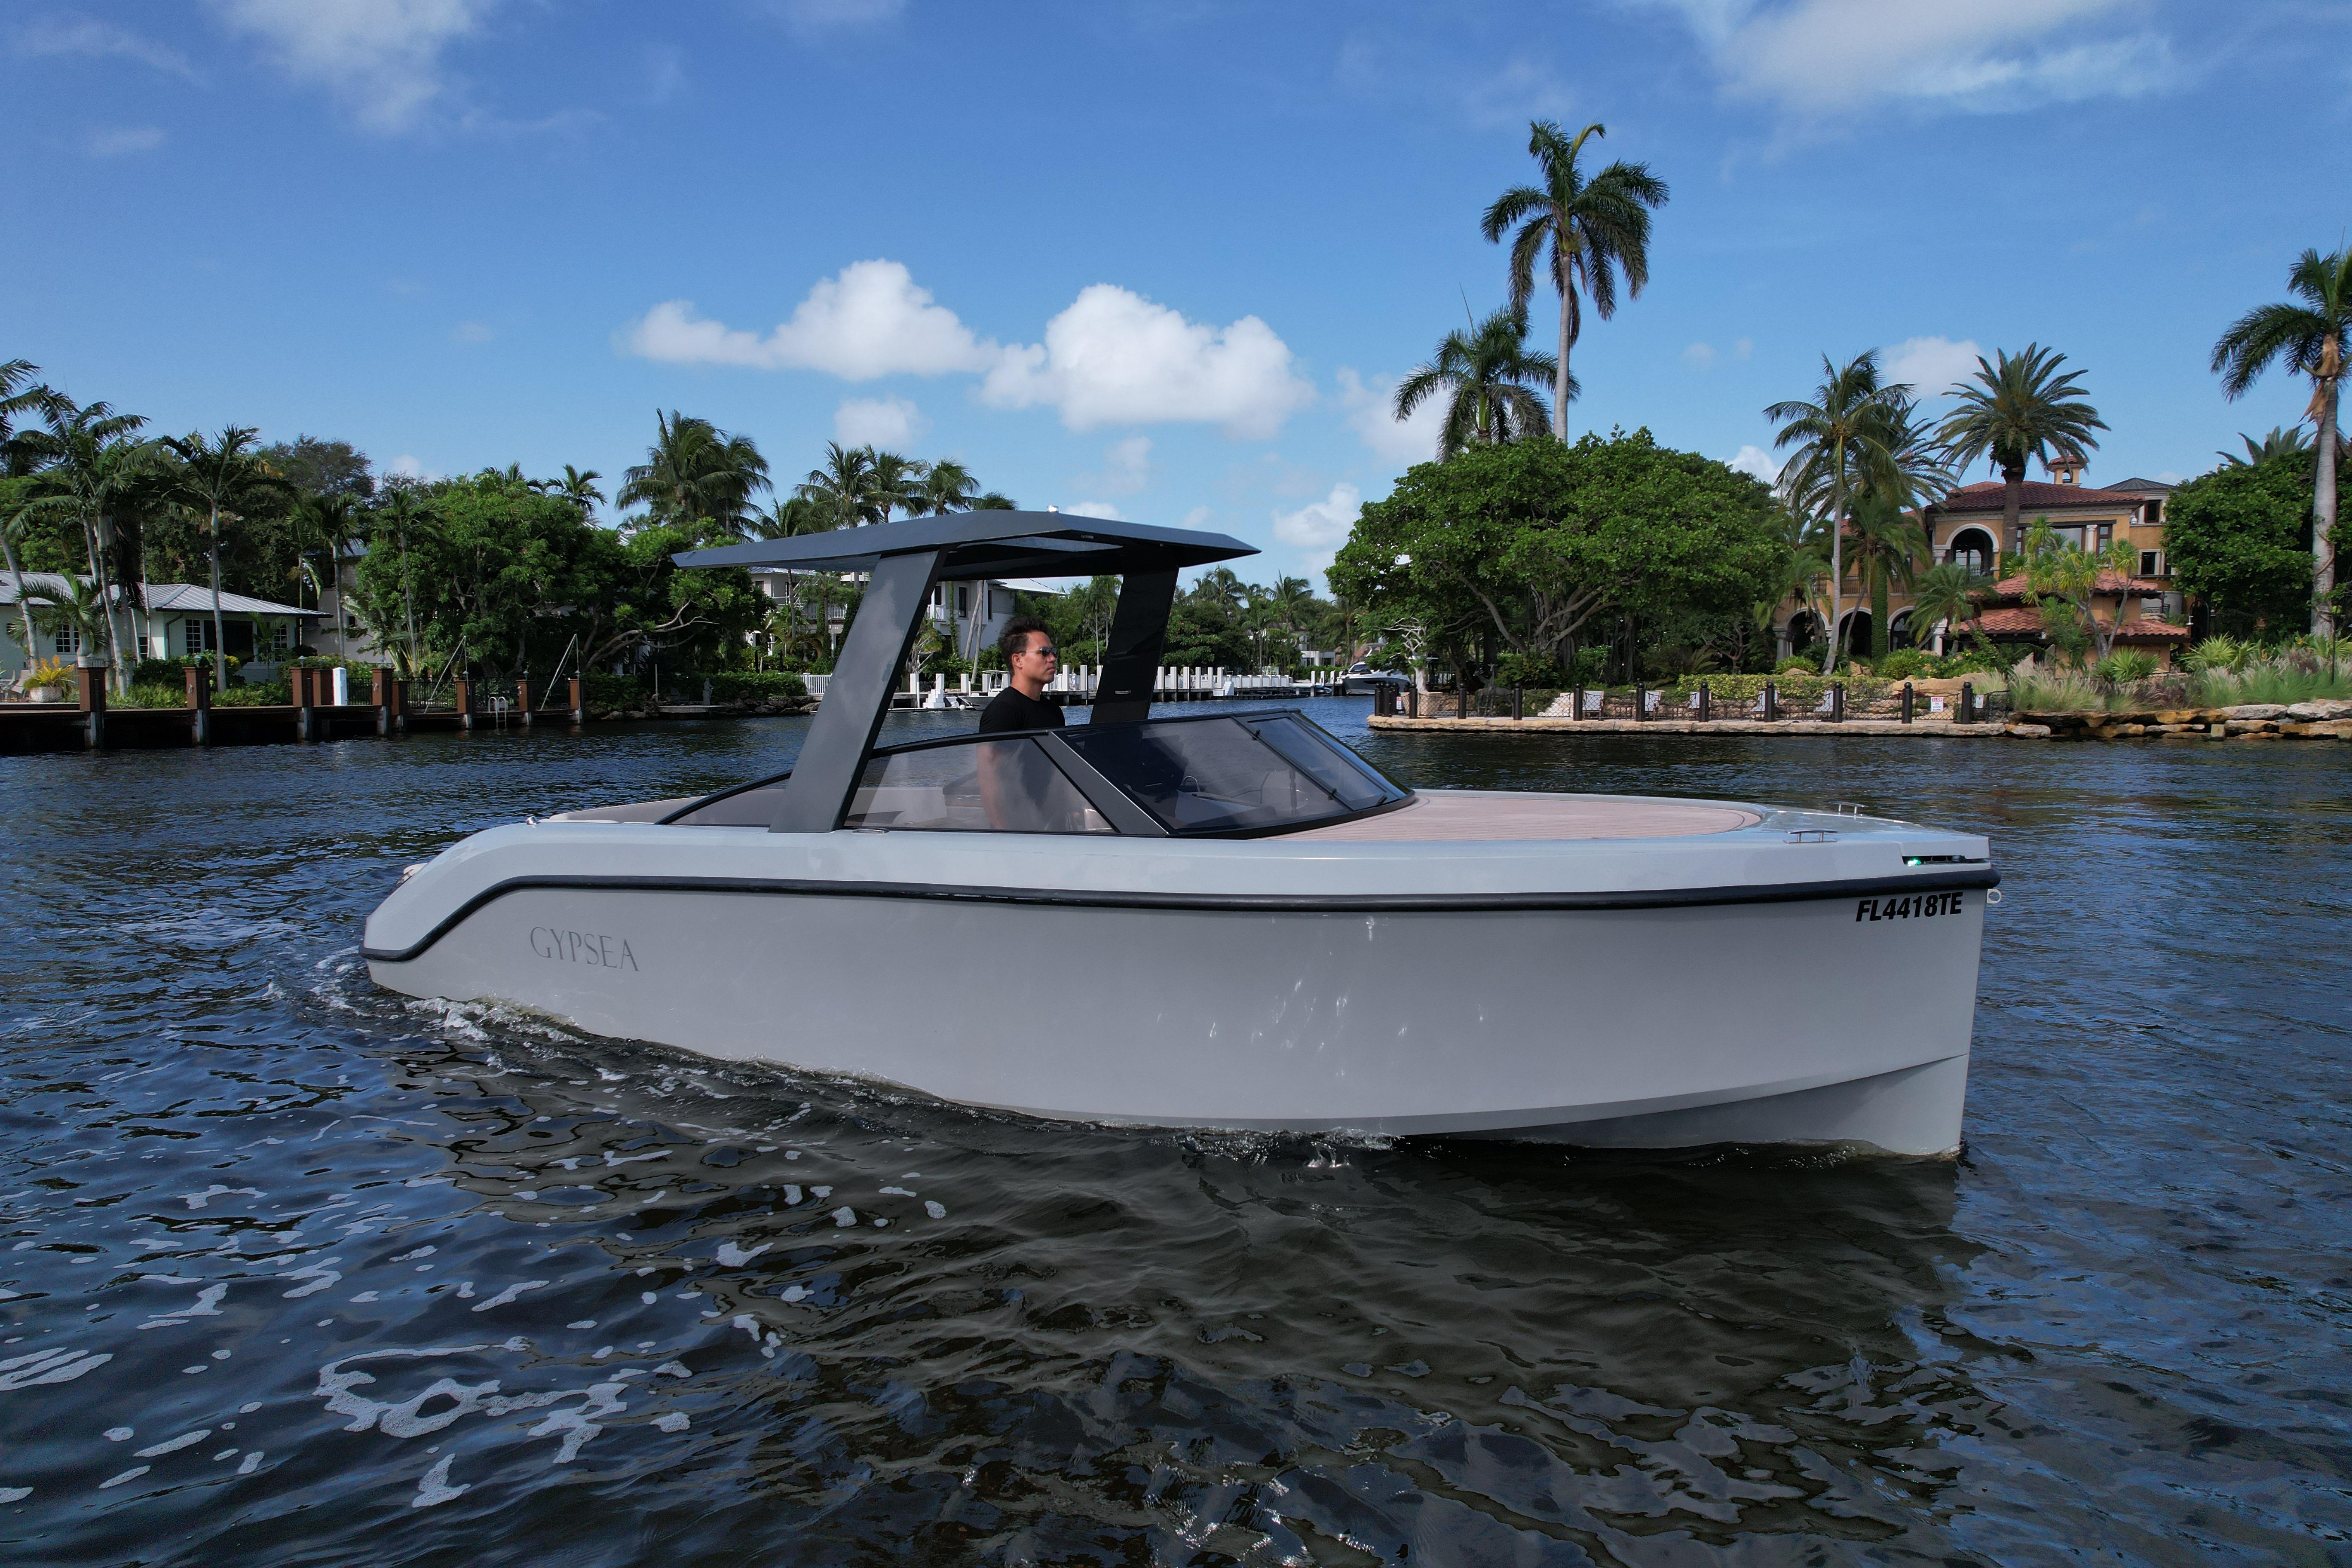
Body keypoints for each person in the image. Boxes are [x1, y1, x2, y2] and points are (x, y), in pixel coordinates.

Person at [978, 618, 1064, 734]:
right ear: (1018, 660)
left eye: (1053, 652)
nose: (1053, 658)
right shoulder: (1002, 712)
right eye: (1044, 652)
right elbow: (988, 752)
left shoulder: (1054, 712)